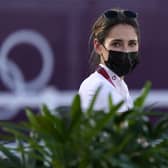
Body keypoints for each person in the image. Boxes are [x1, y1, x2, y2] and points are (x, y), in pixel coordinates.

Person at [78, 8, 140, 112]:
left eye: (132, 44)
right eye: (116, 44)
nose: (126, 51)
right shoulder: (97, 87)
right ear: (98, 46)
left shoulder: (120, 85)